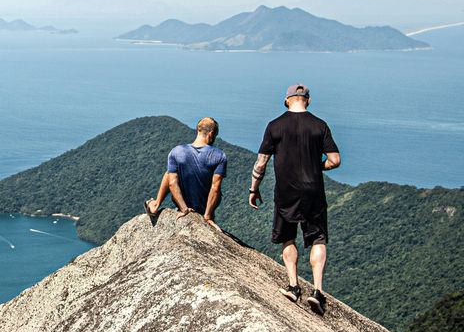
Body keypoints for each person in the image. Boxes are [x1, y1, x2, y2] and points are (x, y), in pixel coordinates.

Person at [248, 84, 341, 316]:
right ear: (307, 101)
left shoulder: (275, 125)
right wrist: (317, 167)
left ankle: (293, 286)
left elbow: (261, 163)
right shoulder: (320, 125)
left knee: (287, 237)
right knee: (318, 237)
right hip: (313, 190)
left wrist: (253, 188)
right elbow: (335, 160)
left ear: (287, 100)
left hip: (286, 191)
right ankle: (318, 292)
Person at [144, 117, 227, 230]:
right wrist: (207, 216)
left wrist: (184, 209)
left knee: (170, 173)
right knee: (172, 172)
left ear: (197, 129)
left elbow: (172, 183)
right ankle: (209, 215)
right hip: (204, 208)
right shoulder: (219, 155)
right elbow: (215, 188)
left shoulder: (176, 152)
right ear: (211, 134)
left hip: (185, 205)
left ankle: (156, 204)